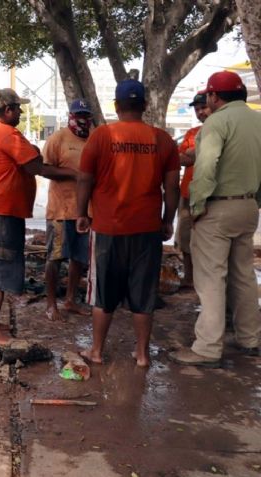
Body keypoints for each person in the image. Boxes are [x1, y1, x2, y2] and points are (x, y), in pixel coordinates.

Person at [76, 79, 180, 368]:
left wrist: (81, 212)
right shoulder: (163, 140)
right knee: (144, 294)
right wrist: (167, 220)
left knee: (103, 294)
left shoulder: (101, 136)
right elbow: (172, 187)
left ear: (117, 106)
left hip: (109, 228)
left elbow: (85, 178)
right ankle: (143, 355)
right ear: (144, 105)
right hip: (147, 229)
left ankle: (96, 351)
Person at [169, 71, 261, 367]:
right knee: (243, 275)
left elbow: (206, 167)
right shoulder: (258, 121)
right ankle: (250, 338)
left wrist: (196, 206)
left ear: (213, 96)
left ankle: (207, 347)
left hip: (218, 208)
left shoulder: (216, 122)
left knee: (210, 279)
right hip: (248, 207)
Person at [0, 88, 78, 345]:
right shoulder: (6, 133)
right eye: (18, 108)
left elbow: (31, 155)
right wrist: (75, 175)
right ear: (7, 110)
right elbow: (36, 166)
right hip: (2, 211)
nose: (21, 112)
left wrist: (32, 149)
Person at [42, 99, 93, 321]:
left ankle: (70, 300)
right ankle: (51, 304)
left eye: (85, 114)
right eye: (78, 114)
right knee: (55, 258)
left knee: (79, 258)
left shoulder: (94, 139)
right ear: (70, 115)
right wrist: (73, 175)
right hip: (60, 211)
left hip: (86, 212)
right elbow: (44, 169)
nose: (82, 119)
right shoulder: (58, 139)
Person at [175, 92, 210, 289]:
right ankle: (189, 278)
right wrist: (194, 155)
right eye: (197, 109)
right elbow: (180, 159)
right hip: (188, 195)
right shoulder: (192, 133)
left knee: (208, 240)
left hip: (211, 197)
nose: (200, 112)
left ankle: (205, 280)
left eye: (203, 108)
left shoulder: (220, 130)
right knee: (185, 237)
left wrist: (194, 154)